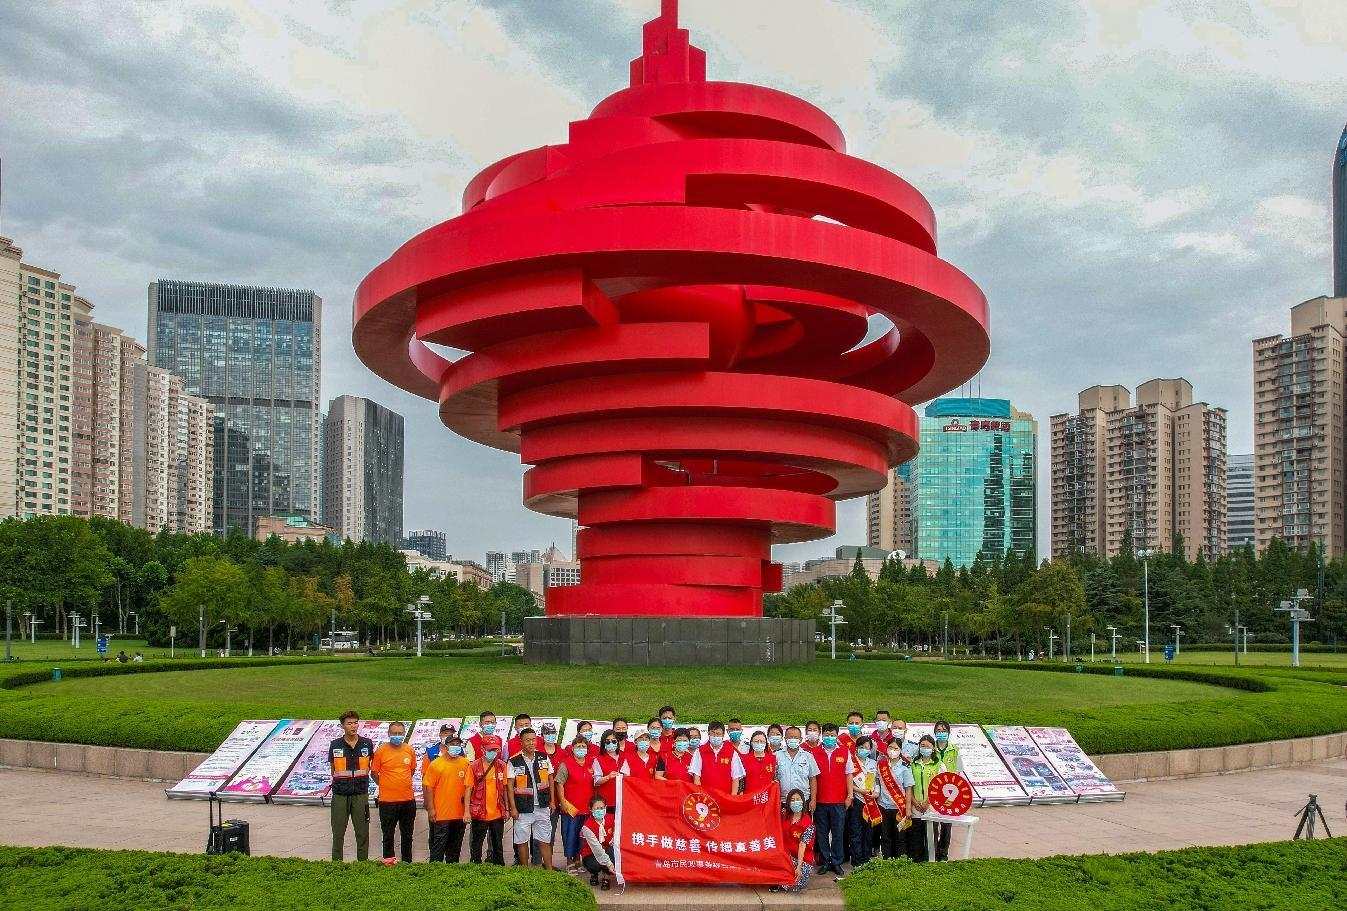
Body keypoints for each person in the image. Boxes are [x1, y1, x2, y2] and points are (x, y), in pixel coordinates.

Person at [329, 709, 374, 861]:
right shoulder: (335, 745)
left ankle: (362, 863)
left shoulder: (366, 743)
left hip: (360, 793)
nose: (353, 726)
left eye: (355, 723)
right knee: (338, 832)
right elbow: (333, 769)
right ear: (342, 726)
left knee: (362, 832)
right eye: (349, 723)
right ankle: (337, 863)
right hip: (340, 794)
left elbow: (370, 765)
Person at [507, 727, 554, 868]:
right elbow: (509, 785)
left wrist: (552, 801)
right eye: (528, 740)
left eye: (533, 740)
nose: (531, 743)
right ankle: (525, 870)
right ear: (521, 742)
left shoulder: (543, 757)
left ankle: (549, 870)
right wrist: (513, 808)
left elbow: (550, 778)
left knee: (545, 839)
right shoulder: (514, 761)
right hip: (523, 807)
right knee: (522, 840)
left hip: (542, 805)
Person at [372, 721, 418, 864]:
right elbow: (374, 773)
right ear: (389, 734)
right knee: (388, 834)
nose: (397, 736)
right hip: (387, 801)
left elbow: (411, 770)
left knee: (407, 834)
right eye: (394, 733)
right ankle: (388, 861)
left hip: (408, 800)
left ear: (404, 734)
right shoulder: (381, 751)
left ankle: (407, 862)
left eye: (400, 733)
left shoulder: (409, 750)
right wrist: (386, 784)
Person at [813, 722, 854, 878]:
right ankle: (825, 861)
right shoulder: (814, 752)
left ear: (837, 736)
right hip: (820, 801)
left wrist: (850, 795)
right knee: (821, 833)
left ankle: (836, 861)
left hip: (839, 801)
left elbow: (849, 774)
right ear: (822, 736)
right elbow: (812, 777)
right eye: (826, 735)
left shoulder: (844, 751)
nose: (829, 737)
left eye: (832, 735)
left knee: (838, 833)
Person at [423, 734, 470, 863]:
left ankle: (452, 871)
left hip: (459, 813)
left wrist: (467, 811)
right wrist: (431, 809)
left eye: (458, 744)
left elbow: (468, 787)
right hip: (441, 814)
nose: (456, 747)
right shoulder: (436, 764)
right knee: (438, 847)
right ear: (446, 746)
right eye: (452, 744)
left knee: (455, 849)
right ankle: (435, 871)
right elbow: (428, 787)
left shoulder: (465, 763)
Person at [463, 733, 509, 864]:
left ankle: (498, 866)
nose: (493, 753)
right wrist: (466, 812)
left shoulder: (501, 765)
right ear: (482, 749)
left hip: (497, 813)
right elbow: (468, 789)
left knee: (498, 845)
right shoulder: (473, 766)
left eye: (495, 750)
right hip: (479, 813)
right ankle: (475, 866)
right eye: (490, 750)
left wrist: (506, 809)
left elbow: (504, 788)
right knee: (476, 844)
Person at [555, 735, 595, 873]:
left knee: (581, 836)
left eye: (583, 746)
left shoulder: (591, 763)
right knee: (570, 835)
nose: (581, 749)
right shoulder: (565, 763)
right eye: (578, 746)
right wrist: (562, 802)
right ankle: (569, 861)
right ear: (572, 748)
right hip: (571, 807)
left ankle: (578, 860)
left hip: (587, 807)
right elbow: (559, 783)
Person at [876, 734, 915, 860]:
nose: (893, 750)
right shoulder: (881, 764)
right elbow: (877, 782)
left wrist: (908, 808)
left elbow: (908, 788)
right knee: (885, 836)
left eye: (896, 748)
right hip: (883, 806)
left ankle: (899, 862)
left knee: (900, 836)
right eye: (890, 747)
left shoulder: (905, 767)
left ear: (900, 750)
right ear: (886, 748)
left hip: (899, 807)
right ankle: (887, 861)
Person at [928, 719, 962, 862]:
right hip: (934, 790)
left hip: (950, 792)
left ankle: (944, 853)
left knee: (947, 824)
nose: (941, 733)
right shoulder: (930, 748)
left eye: (944, 731)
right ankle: (934, 852)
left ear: (948, 732)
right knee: (934, 823)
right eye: (938, 731)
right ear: (934, 732)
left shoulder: (955, 750)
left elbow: (958, 771)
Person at [768, 789, 814, 895]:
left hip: (802, 860)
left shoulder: (808, 824)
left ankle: (780, 881)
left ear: (803, 801)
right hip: (786, 856)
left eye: (798, 799)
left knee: (797, 879)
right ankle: (778, 880)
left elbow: (802, 846)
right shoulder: (785, 815)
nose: (795, 802)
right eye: (792, 800)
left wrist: (799, 867)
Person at [844, 735, 880, 868]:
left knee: (868, 832)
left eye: (866, 747)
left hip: (870, 801)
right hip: (857, 800)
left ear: (870, 750)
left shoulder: (873, 763)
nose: (863, 749)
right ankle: (857, 860)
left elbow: (877, 781)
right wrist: (860, 791)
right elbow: (847, 782)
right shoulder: (851, 762)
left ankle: (866, 859)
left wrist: (876, 793)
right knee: (856, 832)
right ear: (856, 748)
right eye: (861, 747)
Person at [908, 734, 942, 862]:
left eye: (928, 746)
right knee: (916, 837)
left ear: (933, 748)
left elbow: (941, 787)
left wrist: (928, 802)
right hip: (915, 806)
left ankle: (930, 862)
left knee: (931, 837)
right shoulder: (913, 764)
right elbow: (909, 785)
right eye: (922, 745)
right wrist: (915, 802)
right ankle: (917, 862)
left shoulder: (938, 765)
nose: (925, 748)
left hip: (931, 807)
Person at [689, 721, 745, 794]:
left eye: (718, 734)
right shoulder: (700, 751)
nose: (715, 736)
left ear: (723, 735)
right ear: (708, 734)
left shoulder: (731, 752)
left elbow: (736, 777)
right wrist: (701, 795)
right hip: (706, 797)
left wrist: (733, 797)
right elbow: (696, 776)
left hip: (725, 796)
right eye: (713, 733)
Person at [775, 726, 820, 812]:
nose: (793, 739)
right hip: (783, 800)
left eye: (795, 737)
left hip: (803, 800)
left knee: (803, 821)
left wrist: (813, 800)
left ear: (801, 739)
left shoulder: (808, 756)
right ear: (785, 739)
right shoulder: (776, 756)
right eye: (790, 737)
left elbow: (813, 779)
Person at [579, 795, 615, 890]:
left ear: (606, 807)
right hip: (591, 853)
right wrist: (609, 864)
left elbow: (618, 834)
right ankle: (594, 873)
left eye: (602, 808)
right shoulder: (586, 827)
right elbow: (596, 849)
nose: (600, 810)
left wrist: (613, 840)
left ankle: (606, 877)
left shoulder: (612, 818)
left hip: (607, 848)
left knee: (614, 853)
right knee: (594, 865)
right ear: (591, 809)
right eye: (596, 808)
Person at [593, 730, 624, 810]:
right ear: (603, 743)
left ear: (617, 742)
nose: (611, 743)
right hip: (607, 800)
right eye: (607, 741)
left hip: (623, 799)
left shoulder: (624, 756)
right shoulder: (598, 759)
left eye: (613, 741)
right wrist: (608, 777)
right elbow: (597, 781)